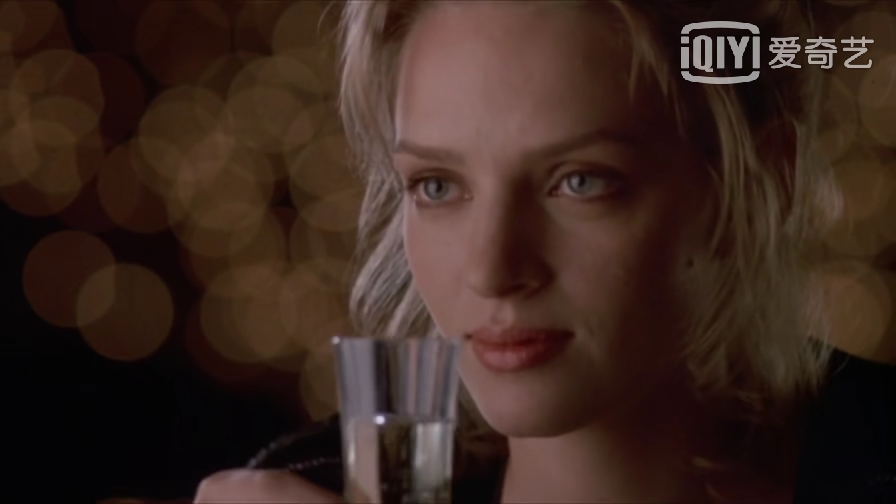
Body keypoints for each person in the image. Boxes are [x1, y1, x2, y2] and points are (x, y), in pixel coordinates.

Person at [194, 1, 896, 503]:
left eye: (581, 181)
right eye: (437, 185)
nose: (492, 270)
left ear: (763, 183)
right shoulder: (304, 484)